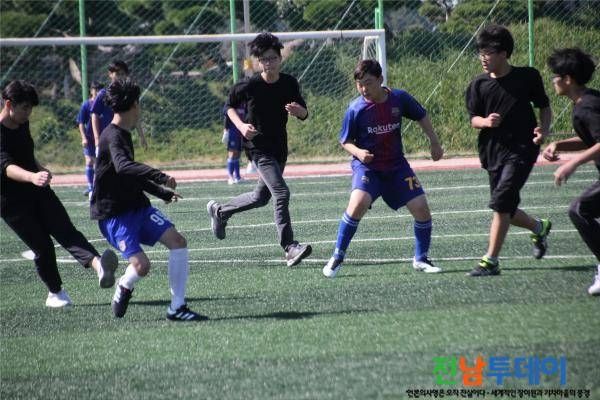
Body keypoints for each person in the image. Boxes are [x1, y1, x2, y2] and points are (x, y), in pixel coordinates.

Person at [91, 78, 205, 321]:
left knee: (178, 241)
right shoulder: (112, 136)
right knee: (142, 266)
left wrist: (162, 193)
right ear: (135, 104)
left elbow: (130, 175)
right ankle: (124, 285)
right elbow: (124, 167)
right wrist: (160, 177)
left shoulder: (122, 133)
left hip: (138, 207)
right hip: (115, 216)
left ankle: (177, 307)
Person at [0, 80, 118, 308]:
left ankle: (99, 266)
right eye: (25, 108)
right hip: (11, 201)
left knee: (65, 230)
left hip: (38, 190)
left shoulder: (21, 123)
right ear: (8, 104)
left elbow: (24, 154)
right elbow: (6, 166)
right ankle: (55, 293)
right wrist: (32, 176)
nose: (28, 113)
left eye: (30, 109)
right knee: (42, 245)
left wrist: (39, 168)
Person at [322, 59, 444, 278]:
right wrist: (359, 153)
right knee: (358, 203)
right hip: (368, 168)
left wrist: (434, 142)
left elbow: (421, 115)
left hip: (397, 166)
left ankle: (421, 258)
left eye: (368, 83)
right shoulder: (355, 109)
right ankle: (337, 256)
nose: (364, 89)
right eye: (359, 85)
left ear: (380, 80)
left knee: (421, 208)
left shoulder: (399, 98)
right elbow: (345, 141)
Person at [206, 32, 312, 267]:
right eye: (264, 59)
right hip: (258, 148)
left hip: (279, 148)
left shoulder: (289, 82)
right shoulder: (250, 84)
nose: (269, 63)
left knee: (260, 197)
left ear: (280, 59)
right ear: (258, 61)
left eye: (273, 58)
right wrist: (241, 126)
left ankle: (221, 212)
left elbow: (304, 112)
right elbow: (229, 107)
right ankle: (289, 247)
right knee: (281, 193)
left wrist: (300, 112)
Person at [465, 24, 553, 276]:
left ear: (504, 53)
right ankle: (539, 227)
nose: (483, 58)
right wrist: (485, 122)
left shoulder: (528, 76)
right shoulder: (478, 84)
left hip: (523, 148)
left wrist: (544, 131)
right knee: (506, 209)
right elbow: (473, 119)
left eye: (488, 53)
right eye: (480, 52)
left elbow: (544, 107)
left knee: (502, 202)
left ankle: (490, 261)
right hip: (492, 151)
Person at [543, 48, 600, 295]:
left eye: (555, 76)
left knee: (580, 210)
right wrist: (560, 144)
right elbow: (591, 139)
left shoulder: (587, 107)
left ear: (568, 79)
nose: (553, 81)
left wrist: (572, 163)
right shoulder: (588, 101)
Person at [91, 60, 147, 153]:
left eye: (123, 74)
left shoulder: (128, 95)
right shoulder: (104, 94)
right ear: (110, 74)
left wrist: (142, 136)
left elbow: (135, 115)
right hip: (106, 139)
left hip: (124, 137)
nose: (120, 77)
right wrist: (97, 138)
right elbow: (94, 115)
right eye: (117, 74)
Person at [76, 81, 104, 197]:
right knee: (89, 161)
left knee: (99, 163)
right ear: (91, 90)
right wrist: (83, 138)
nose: (97, 92)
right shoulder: (86, 105)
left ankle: (98, 186)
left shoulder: (105, 104)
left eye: (99, 89)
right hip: (89, 139)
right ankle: (90, 187)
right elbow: (81, 123)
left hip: (102, 138)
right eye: (94, 89)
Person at [221, 92, 246, 184]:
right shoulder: (232, 104)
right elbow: (227, 117)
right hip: (232, 132)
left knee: (238, 154)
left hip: (241, 132)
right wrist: (225, 131)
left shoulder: (244, 104)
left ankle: (237, 177)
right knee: (232, 153)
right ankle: (230, 177)